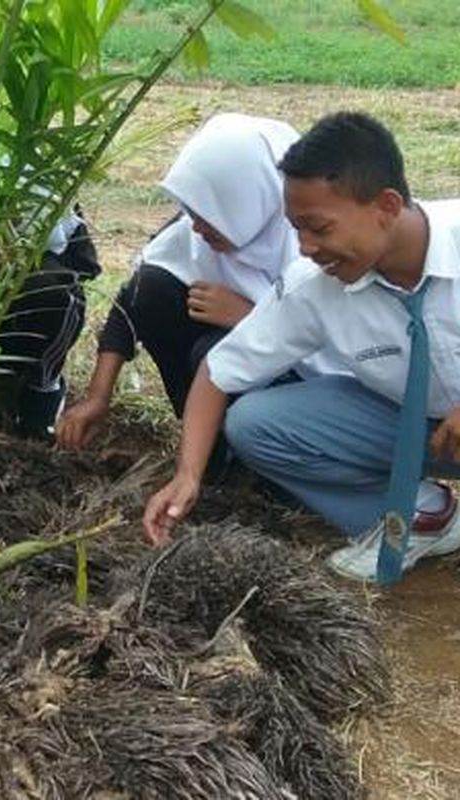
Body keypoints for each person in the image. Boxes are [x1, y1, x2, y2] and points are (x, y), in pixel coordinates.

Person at [142, 111, 460, 582]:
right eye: (297, 229)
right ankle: (423, 516)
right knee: (256, 422)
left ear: (387, 206)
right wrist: (188, 474)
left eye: (319, 228)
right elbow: (218, 372)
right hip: (415, 426)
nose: (306, 247)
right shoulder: (316, 284)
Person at [57, 113, 334, 459]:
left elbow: (335, 351)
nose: (198, 228)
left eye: (210, 213)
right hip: (218, 377)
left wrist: (251, 318)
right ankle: (211, 452)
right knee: (155, 289)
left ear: (251, 200)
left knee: (216, 353)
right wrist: (98, 396)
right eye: (192, 211)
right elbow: (132, 301)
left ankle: (262, 460)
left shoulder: (313, 247)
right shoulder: (196, 234)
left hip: (304, 392)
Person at [0, 207, 102, 440]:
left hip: (11, 298)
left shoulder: (36, 197)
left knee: (57, 293)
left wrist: (14, 243)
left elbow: (75, 261)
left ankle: (40, 398)